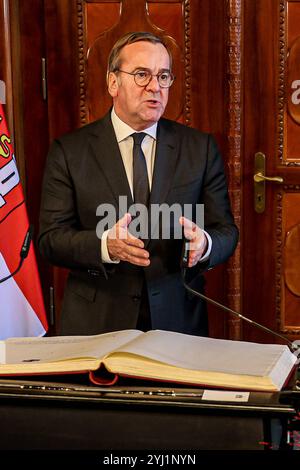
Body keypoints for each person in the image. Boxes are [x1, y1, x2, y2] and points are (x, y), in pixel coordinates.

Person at [38, 31, 238, 336]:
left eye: (163, 76)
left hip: (178, 321)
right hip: (97, 322)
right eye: (142, 74)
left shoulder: (199, 149)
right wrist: (106, 245)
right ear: (113, 83)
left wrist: (205, 245)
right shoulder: (69, 151)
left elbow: (225, 231)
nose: (155, 87)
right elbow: (50, 240)